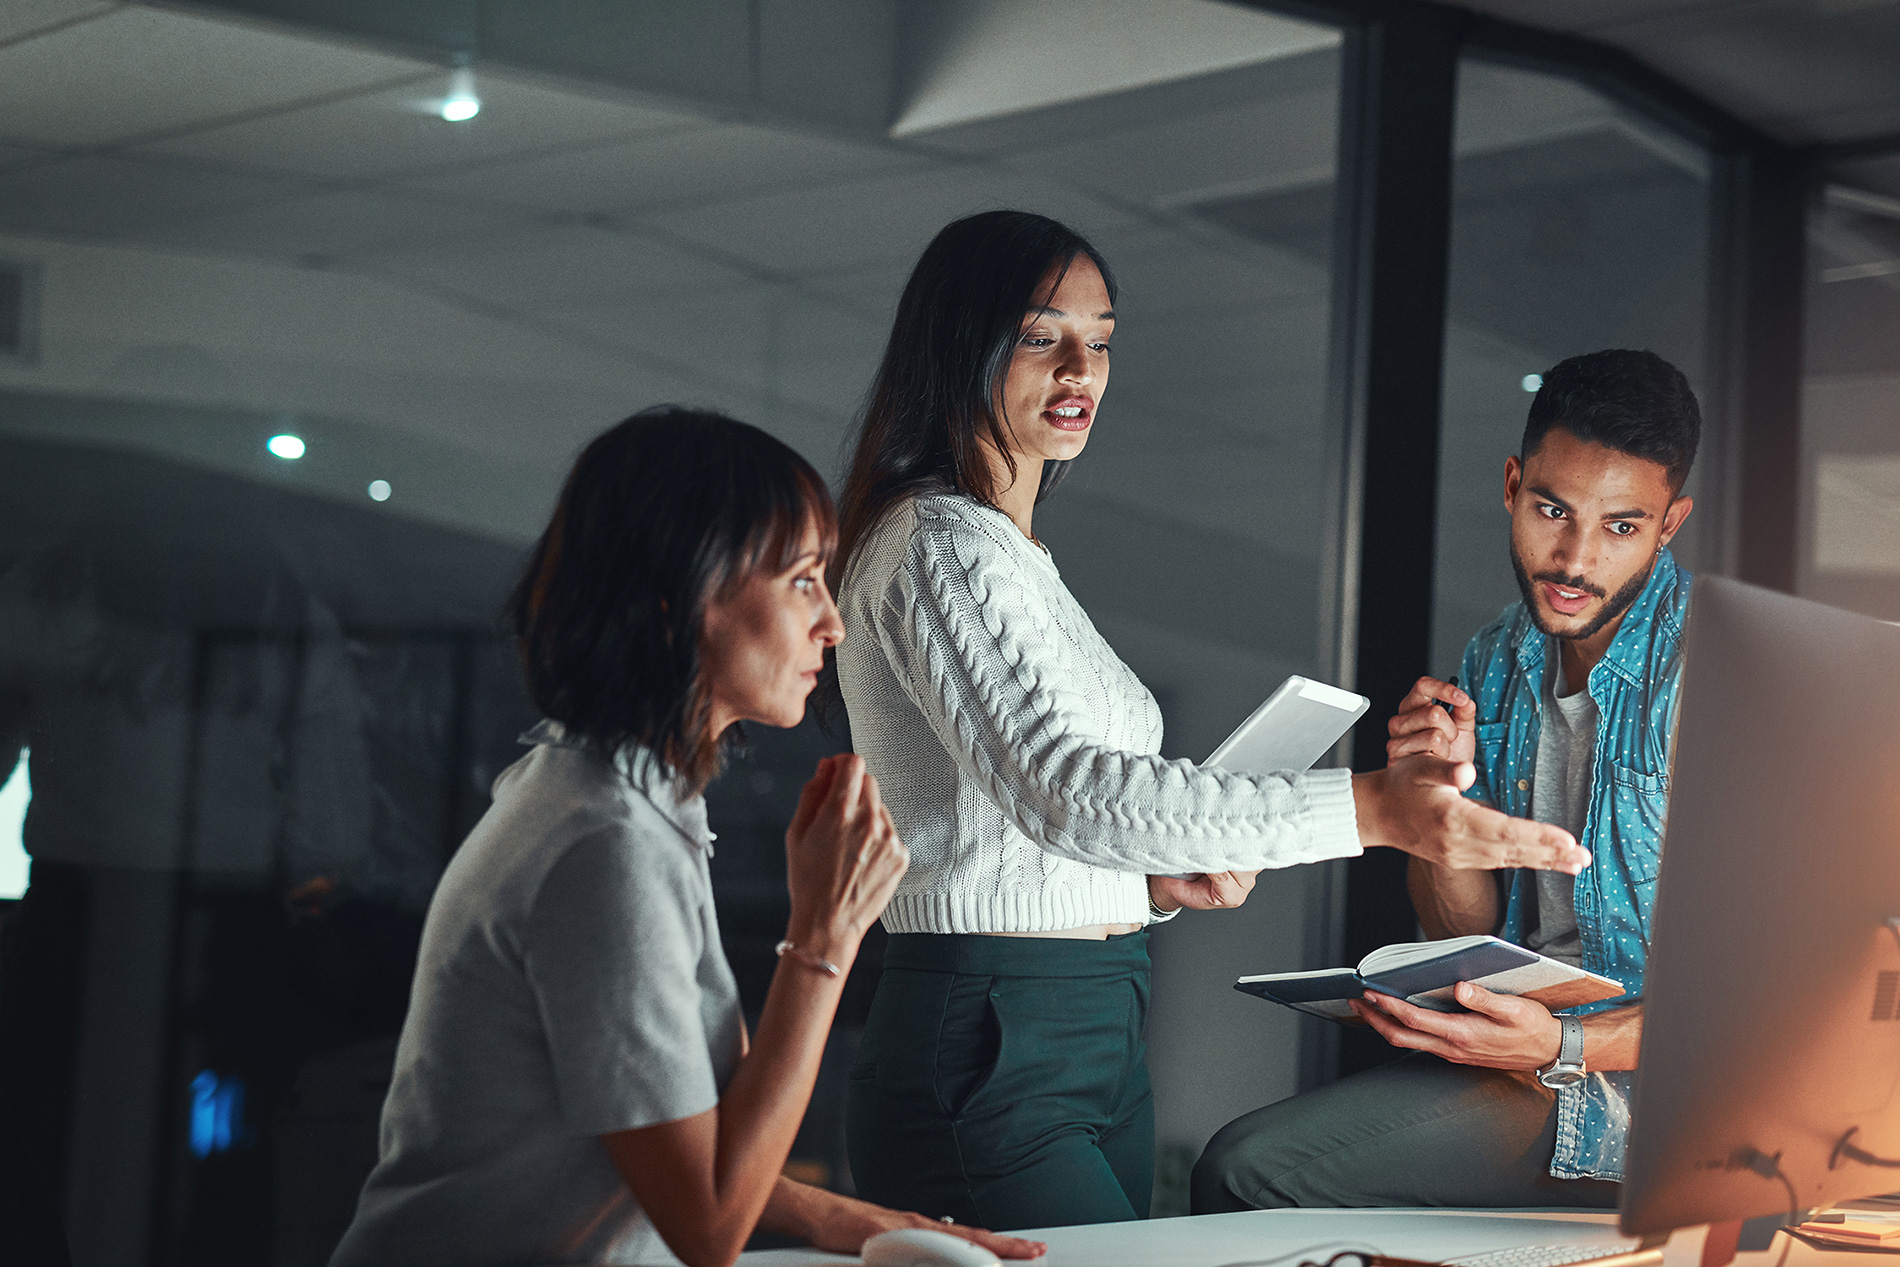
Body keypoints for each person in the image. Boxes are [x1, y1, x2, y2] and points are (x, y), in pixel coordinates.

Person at [830, 210, 1592, 1232]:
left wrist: (1146, 883)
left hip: (1092, 1011)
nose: (1079, 370)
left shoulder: (1011, 557)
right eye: (1039, 334)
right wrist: (1371, 808)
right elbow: (1062, 788)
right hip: (992, 1021)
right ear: (958, 345)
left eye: (1100, 341)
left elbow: (1028, 816)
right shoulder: (940, 543)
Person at [329, 407, 1042, 1267]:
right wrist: (823, 936)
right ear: (686, 597)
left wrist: (845, 1219)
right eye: (802, 581)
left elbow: (669, 1136)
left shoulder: (614, 792)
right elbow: (706, 1224)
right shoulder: (604, 844)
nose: (834, 622)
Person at [1193, 348, 1699, 1212]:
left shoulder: (1718, 671)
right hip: (1517, 1050)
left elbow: (1779, 993)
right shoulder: (1496, 657)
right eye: (1552, 510)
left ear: (1668, 525)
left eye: (1620, 526)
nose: (1574, 559)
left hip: (1658, 1094)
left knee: (1248, 1169)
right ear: (1511, 484)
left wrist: (1562, 1042)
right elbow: (1454, 923)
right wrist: (1436, 804)